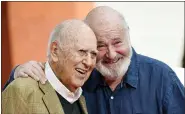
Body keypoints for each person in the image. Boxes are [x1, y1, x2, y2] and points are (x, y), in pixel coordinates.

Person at [3, 6, 185, 114]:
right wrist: (17, 73)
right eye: (100, 46)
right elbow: (42, 82)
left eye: (117, 42)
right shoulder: (79, 76)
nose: (111, 54)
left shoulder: (162, 78)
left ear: (128, 35)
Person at [2, 19, 98, 114]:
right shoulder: (22, 91)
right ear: (55, 51)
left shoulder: (81, 97)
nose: (89, 62)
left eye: (93, 54)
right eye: (81, 52)